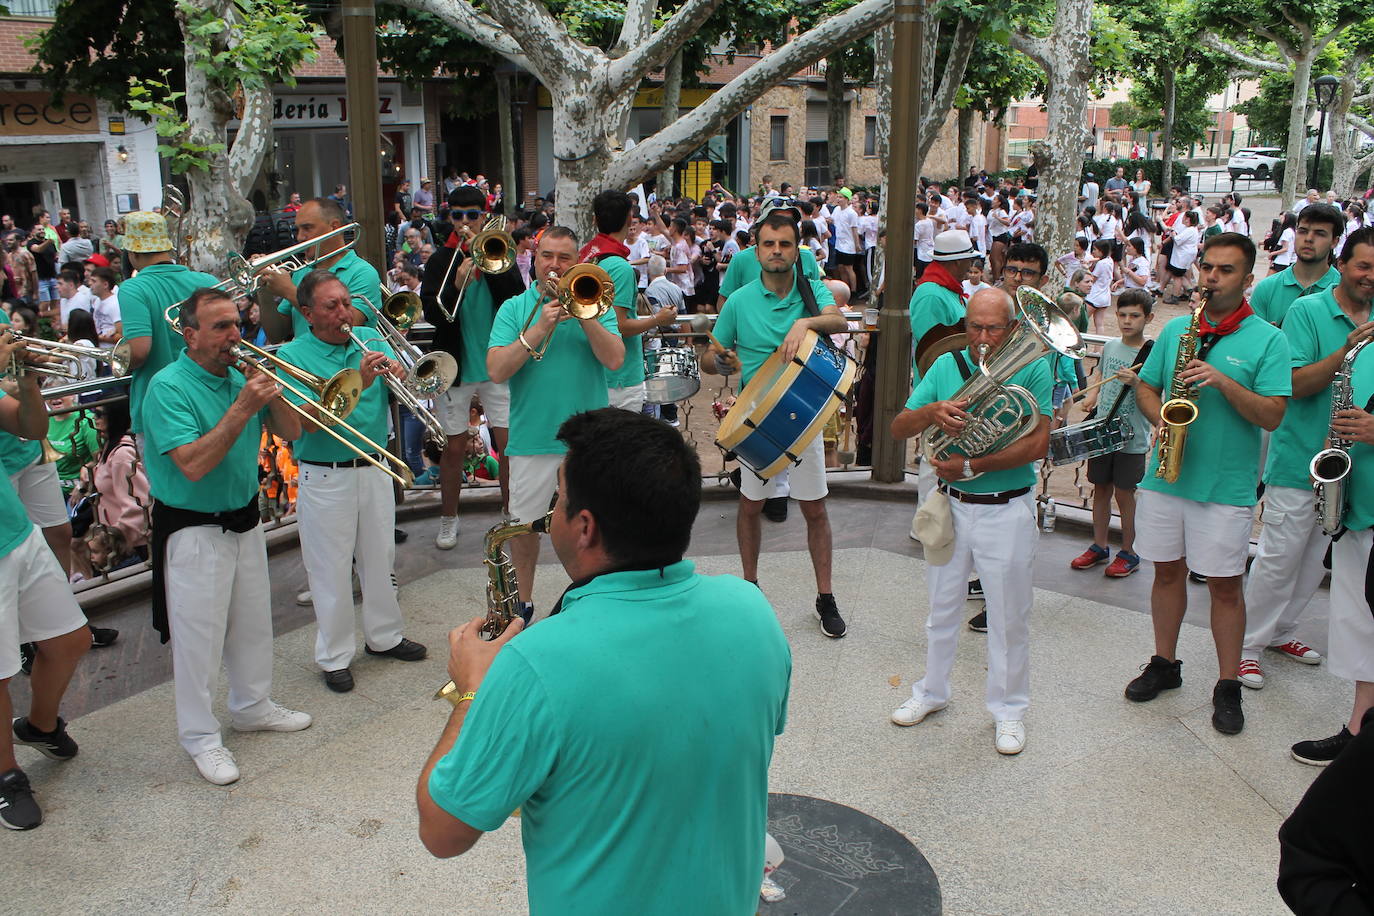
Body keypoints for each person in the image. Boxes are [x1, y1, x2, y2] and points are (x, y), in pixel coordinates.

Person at [417, 408, 790, 912]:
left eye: (560, 500)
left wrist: (472, 692)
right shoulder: (752, 611)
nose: (551, 515)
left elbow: (443, 833)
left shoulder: (535, 661)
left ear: (585, 527)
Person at [141, 287, 312, 786]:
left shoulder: (241, 373)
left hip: (244, 517)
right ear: (190, 335)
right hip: (193, 527)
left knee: (253, 623)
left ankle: (252, 706)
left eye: (236, 323)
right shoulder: (168, 387)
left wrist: (273, 391)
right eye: (220, 327)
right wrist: (241, 406)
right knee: (199, 640)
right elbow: (192, 464)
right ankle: (199, 738)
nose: (234, 335)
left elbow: (294, 433)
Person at [1123, 233, 1291, 736]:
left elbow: (1273, 414)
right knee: (1166, 574)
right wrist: (1162, 421)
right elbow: (1147, 387)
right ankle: (1165, 664)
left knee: (1224, 588)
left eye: (1225, 271)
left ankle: (1227, 684)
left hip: (1225, 486)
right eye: (1208, 268)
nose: (1212, 278)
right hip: (1167, 477)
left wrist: (1222, 381)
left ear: (1248, 280)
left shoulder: (1269, 339)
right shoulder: (1178, 330)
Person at [889, 287, 1053, 755]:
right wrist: (929, 412)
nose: (982, 338)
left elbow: (1038, 444)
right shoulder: (945, 367)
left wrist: (977, 464)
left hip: (1006, 507)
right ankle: (931, 693)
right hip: (951, 505)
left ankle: (1009, 711)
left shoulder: (1033, 366)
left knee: (1008, 617)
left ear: (1013, 328)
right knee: (940, 609)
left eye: (993, 328)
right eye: (974, 327)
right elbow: (900, 425)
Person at [276, 271, 427, 693]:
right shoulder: (293, 355)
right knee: (331, 570)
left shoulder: (370, 338)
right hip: (327, 474)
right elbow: (305, 424)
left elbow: (411, 389)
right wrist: (362, 379)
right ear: (307, 313)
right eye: (331, 306)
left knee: (380, 559)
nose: (345, 313)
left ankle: (385, 637)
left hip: (376, 465)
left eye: (345, 302)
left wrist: (401, 377)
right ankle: (335, 655)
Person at [1241, 228, 1374, 705]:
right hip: (1300, 459)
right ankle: (1246, 646)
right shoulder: (1308, 311)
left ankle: (1283, 631)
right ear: (1344, 264)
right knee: (1278, 558)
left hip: (1351, 467)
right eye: (1363, 266)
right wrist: (1346, 352)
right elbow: (1293, 383)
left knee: (1313, 562)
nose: (1370, 277)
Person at [706, 210, 850, 638]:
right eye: (769, 244)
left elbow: (839, 319)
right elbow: (710, 358)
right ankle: (750, 588)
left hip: (806, 413)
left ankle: (825, 597)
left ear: (796, 249)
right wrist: (721, 360)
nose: (776, 252)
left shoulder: (810, 290)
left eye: (785, 244)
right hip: (757, 420)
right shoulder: (739, 301)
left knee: (815, 508)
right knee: (750, 506)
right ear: (757, 249)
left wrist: (804, 322)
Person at [485, 227, 624, 619]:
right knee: (523, 529)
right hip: (532, 438)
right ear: (534, 257)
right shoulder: (514, 308)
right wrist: (539, 328)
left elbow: (615, 360)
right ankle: (523, 604)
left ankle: (589, 600)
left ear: (576, 262)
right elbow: (495, 370)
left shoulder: (597, 301)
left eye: (564, 258)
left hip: (587, 442)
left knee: (591, 529)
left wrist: (584, 316)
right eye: (547, 256)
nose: (554, 265)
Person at [0, 333, 92, 830]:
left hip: (13, 528)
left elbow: (31, 427)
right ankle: (6, 778)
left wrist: (29, 384)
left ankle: (38, 726)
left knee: (69, 640)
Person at [420, 186, 525, 550]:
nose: (465, 222)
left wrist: (490, 262)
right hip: (455, 367)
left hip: (497, 365)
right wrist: (457, 283)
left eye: (472, 215)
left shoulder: (497, 252)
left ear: (484, 216)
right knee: (453, 446)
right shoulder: (440, 260)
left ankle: (511, 512)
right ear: (450, 217)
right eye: (458, 215)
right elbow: (433, 313)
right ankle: (449, 519)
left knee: (508, 445)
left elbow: (517, 298)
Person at [117, 210, 220, 453]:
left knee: (167, 487)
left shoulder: (133, 288)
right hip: (210, 400)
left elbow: (140, 351)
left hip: (159, 407)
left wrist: (118, 356)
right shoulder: (206, 281)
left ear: (131, 252)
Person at [1070, 289, 1154, 578]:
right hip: (1103, 432)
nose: (1127, 321)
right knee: (1101, 489)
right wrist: (1091, 399)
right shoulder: (1111, 347)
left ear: (1148, 318)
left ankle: (1130, 551)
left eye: (1134, 316)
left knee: (1125, 494)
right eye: (1122, 315)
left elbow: (1157, 394)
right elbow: (1099, 379)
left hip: (1133, 437)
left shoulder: (1151, 354)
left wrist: (1137, 382)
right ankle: (1099, 545)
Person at [586, 191, 677, 415]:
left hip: (595, 372)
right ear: (629, 219)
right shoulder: (620, 267)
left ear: (594, 220)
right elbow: (620, 326)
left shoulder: (588, 256)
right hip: (620, 379)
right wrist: (658, 319)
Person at [258, 197, 380, 342]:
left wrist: (289, 291)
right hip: (302, 362)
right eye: (298, 229)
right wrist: (262, 286)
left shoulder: (362, 272)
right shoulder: (301, 271)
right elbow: (276, 335)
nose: (299, 237)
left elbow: (346, 327)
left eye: (307, 228)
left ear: (334, 227)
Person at [716, 198, 823, 309]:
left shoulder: (806, 257)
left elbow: (819, 301)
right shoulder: (741, 260)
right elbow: (724, 302)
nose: (782, 227)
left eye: (789, 222)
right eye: (776, 223)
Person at [1250, 203, 1344, 327]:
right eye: (1303, 231)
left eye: (1319, 233)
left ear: (1334, 241)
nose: (1309, 239)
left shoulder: (1344, 291)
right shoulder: (1267, 288)